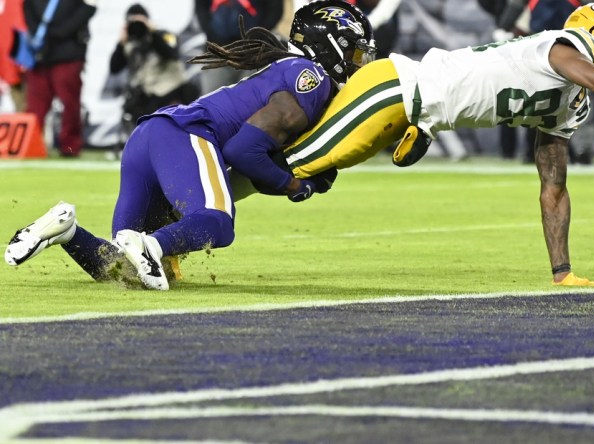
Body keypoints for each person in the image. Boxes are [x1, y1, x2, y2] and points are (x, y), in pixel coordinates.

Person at [233, 2, 594, 286]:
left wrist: (561, 271)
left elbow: (554, 187)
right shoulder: (563, 47)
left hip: (411, 108)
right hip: (396, 88)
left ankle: (191, 203)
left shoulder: (570, 100)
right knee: (288, 165)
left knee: (309, 172)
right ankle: (180, 210)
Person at [4, 0, 376, 290]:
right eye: (357, 53)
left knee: (121, 267)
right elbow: (243, 151)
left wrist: (294, 178)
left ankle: (64, 230)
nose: (360, 64)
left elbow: (254, 160)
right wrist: (294, 185)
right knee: (216, 222)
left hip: (150, 137)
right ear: (332, 45)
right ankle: (151, 246)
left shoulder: (290, 71)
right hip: (184, 135)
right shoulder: (311, 79)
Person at [110, 4, 195, 142]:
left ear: (148, 20)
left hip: (171, 90)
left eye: (140, 21)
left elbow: (172, 53)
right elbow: (114, 68)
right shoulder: (129, 42)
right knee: (135, 105)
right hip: (147, 95)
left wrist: (153, 33)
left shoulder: (163, 35)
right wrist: (121, 43)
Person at [22, 0, 96, 157]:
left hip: (67, 53)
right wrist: (38, 35)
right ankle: (30, 145)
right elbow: (28, 10)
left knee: (69, 103)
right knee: (36, 104)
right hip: (40, 54)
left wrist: (54, 34)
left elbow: (87, 10)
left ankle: (70, 146)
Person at [194, 0, 286, 94]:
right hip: (220, 51)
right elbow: (201, 9)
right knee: (213, 99)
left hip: (254, 51)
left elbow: (276, 11)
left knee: (253, 98)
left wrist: (257, 35)